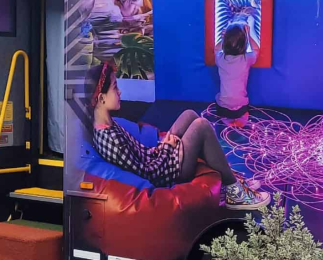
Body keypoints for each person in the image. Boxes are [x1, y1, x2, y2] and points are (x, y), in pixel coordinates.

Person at [87, 62, 269, 209]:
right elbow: (147, 174)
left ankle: (227, 178)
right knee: (201, 126)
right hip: (166, 173)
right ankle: (234, 191)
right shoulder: (109, 139)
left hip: (157, 159)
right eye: (115, 87)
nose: (119, 92)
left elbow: (142, 155)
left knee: (189, 114)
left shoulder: (109, 123)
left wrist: (162, 145)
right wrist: (167, 147)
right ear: (101, 98)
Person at [214, 18, 259, 128]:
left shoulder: (220, 58)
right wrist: (248, 34)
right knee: (243, 108)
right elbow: (256, 49)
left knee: (219, 99)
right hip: (240, 107)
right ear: (243, 43)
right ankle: (240, 120)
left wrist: (223, 37)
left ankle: (227, 120)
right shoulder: (246, 59)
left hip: (223, 108)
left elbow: (216, 48)